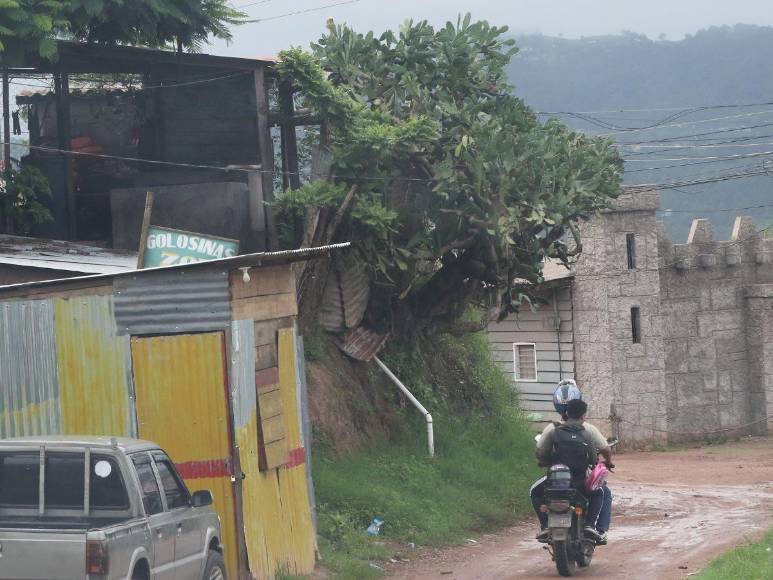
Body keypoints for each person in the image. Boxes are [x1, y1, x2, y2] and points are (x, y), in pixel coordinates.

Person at [530, 380, 614, 544]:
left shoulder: (552, 429)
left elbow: (540, 452)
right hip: (579, 480)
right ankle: (592, 526)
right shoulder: (588, 431)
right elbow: (595, 456)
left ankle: (546, 525)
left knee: (534, 491)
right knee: (602, 493)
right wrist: (602, 462)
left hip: (555, 481)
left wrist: (545, 461)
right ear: (583, 415)